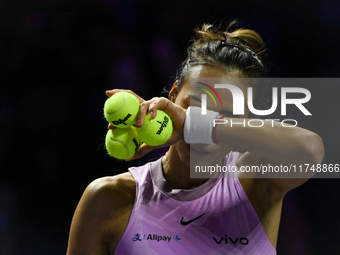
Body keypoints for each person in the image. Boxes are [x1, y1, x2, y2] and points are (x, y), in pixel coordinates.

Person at [66, 22, 324, 254]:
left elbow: (310, 149)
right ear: (173, 96)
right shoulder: (108, 198)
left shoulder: (257, 180)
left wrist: (194, 122)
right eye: (196, 106)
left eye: (225, 116)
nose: (203, 129)